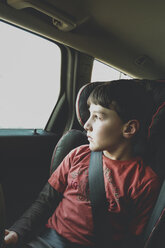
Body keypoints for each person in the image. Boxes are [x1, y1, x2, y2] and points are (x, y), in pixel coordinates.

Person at [4, 80, 160, 248]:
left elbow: (133, 238)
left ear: (128, 129)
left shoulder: (145, 180)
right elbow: (45, 201)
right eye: (89, 115)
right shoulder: (78, 155)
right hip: (46, 240)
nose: (87, 125)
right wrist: (17, 232)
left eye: (98, 117)